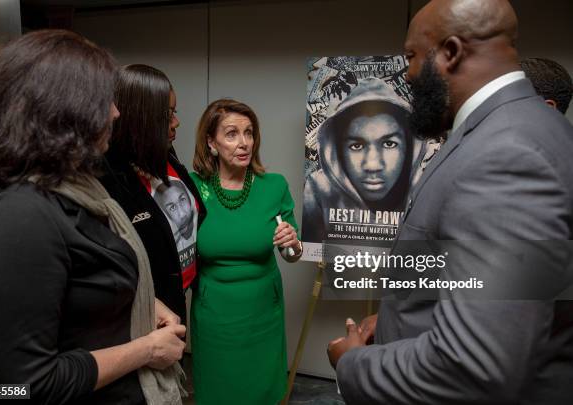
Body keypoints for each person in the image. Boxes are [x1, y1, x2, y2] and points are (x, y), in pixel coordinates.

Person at [327, 0, 573, 404]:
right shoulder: (514, 128)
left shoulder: (505, 155)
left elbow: (473, 365)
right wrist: (392, 321)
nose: (405, 73)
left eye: (410, 56)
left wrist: (352, 363)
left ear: (451, 52)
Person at [0, 30, 186, 404]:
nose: (115, 112)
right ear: (62, 109)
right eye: (104, 100)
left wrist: (140, 301)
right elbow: (24, 387)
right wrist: (146, 350)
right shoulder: (18, 217)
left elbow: (84, 289)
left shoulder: (78, 186)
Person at [189, 99, 302, 404]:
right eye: (231, 134)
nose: (244, 143)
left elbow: (293, 254)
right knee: (218, 391)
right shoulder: (194, 186)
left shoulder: (274, 186)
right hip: (214, 316)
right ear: (211, 143)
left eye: (249, 133)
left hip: (263, 313)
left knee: (263, 391)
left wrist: (291, 243)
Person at [100, 64, 205, 324]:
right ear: (140, 118)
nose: (176, 122)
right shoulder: (107, 180)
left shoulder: (165, 156)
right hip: (144, 315)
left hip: (178, 300)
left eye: (174, 113)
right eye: (167, 115)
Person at [303, 77, 414, 242]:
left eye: (389, 143)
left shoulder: (425, 191)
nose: (372, 165)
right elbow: (312, 250)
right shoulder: (318, 190)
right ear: (337, 151)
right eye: (356, 146)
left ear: (411, 148)